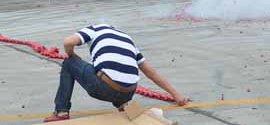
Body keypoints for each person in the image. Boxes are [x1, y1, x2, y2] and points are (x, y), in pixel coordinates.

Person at [44, 24, 188, 122]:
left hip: (104, 87)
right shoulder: (127, 39)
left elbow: (68, 42)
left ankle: (61, 111)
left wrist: (72, 55)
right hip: (128, 92)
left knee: (69, 63)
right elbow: (151, 73)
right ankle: (124, 104)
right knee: (115, 76)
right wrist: (176, 95)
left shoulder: (95, 28)